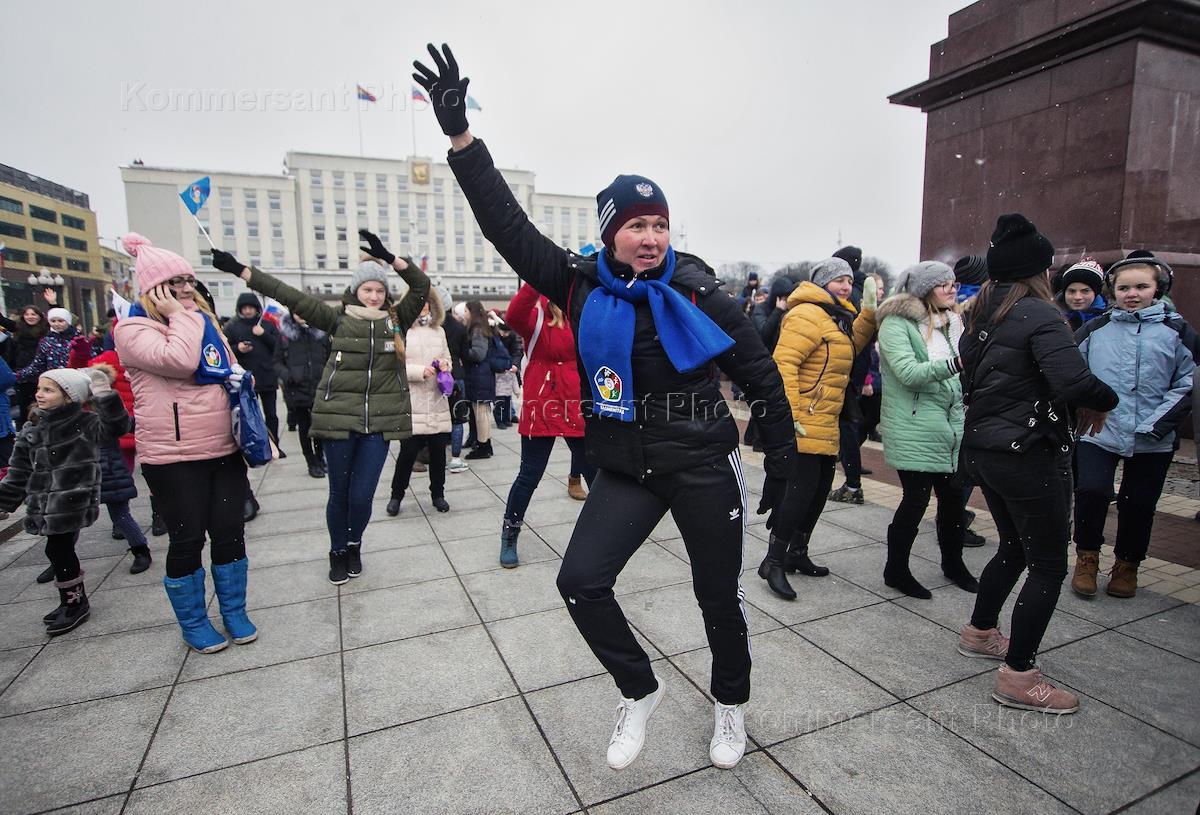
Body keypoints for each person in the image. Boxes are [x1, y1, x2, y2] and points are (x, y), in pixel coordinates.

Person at [417, 42, 795, 771]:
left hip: (701, 461)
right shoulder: (578, 285)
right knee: (580, 582)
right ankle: (639, 688)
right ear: (609, 232)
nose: (651, 237)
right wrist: (461, 141)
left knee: (719, 597)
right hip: (624, 463)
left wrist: (781, 460)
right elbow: (505, 225)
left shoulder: (696, 289)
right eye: (637, 225)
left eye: (660, 225)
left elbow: (760, 375)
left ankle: (730, 706)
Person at [955, 214, 1117, 714]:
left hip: (988, 449)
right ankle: (1019, 675)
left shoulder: (982, 313)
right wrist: (1107, 399)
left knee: (1013, 546)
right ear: (1038, 270)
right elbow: (1072, 382)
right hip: (1027, 452)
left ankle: (981, 631)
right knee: (1047, 563)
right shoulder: (1039, 315)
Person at [211, 229, 429, 585]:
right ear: (355, 291)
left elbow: (421, 285)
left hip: (378, 424)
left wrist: (389, 258)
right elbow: (288, 295)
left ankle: (354, 542)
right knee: (339, 493)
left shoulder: (394, 321)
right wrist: (240, 269)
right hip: (338, 420)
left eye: (378, 290)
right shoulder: (338, 319)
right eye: (367, 289)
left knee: (362, 497)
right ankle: (337, 551)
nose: (373, 296)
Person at [115, 233, 257, 654]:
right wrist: (181, 314)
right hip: (173, 456)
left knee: (230, 533)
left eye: (187, 281)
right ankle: (193, 621)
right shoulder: (132, 329)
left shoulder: (206, 323)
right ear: (150, 289)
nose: (184, 289)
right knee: (187, 537)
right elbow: (178, 360)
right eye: (172, 282)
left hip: (222, 448)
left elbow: (224, 367)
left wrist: (239, 378)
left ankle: (234, 611)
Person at [1070, 255, 1196, 598]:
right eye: (1124, 287)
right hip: (1100, 430)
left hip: (1154, 436)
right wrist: (1088, 404)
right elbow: (1072, 372)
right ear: (1112, 290)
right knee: (1092, 491)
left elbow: (1189, 382)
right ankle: (1087, 557)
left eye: (1141, 286)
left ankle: (1127, 565)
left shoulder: (1178, 331)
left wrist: (1159, 423)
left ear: (1158, 288)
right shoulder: (1096, 328)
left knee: (1138, 502)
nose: (1132, 294)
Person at [762, 257, 877, 600]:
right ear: (822, 281)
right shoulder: (805, 313)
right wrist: (791, 415)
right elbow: (784, 364)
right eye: (839, 280)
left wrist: (868, 313)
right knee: (798, 496)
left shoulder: (835, 315)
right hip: (805, 419)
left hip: (827, 418)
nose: (846, 286)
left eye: (848, 281)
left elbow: (849, 348)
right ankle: (773, 563)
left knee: (817, 493)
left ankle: (796, 553)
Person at [0, 367, 129, 635]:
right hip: (42, 504)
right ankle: (70, 600)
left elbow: (117, 426)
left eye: (49, 390)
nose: (39, 394)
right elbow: (19, 469)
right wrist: (6, 499)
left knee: (59, 550)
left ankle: (75, 603)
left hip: (70, 501)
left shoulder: (86, 422)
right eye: (39, 389)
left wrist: (104, 394)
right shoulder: (33, 426)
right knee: (56, 551)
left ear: (69, 396)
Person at [875, 262, 977, 599]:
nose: (951, 289)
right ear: (923, 288)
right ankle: (896, 569)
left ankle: (954, 564)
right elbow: (908, 372)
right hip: (913, 425)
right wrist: (958, 363)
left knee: (952, 502)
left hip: (949, 426)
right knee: (915, 501)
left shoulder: (951, 321)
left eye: (953, 283)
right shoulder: (896, 324)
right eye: (942, 284)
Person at [498, 283, 593, 567]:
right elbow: (513, 314)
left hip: (576, 400)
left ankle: (602, 538)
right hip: (543, 401)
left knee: (596, 475)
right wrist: (537, 275)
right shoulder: (537, 313)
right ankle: (510, 534)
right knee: (529, 475)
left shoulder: (580, 311)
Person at [387, 290, 453, 516]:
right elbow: (392, 367)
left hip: (436, 400)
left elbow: (449, 358)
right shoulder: (402, 330)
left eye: (427, 302)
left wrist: (445, 365)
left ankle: (438, 494)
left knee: (438, 454)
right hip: (412, 401)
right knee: (407, 454)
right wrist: (418, 371)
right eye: (419, 302)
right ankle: (396, 495)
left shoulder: (439, 331)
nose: (423, 306)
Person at [88, 357, 153, 573]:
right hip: (80, 477)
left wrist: (106, 398)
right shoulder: (71, 416)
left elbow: (126, 423)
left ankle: (141, 550)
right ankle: (61, 561)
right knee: (71, 524)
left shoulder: (106, 413)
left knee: (121, 515)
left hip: (110, 472)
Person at [224, 292, 283, 454]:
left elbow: (278, 346)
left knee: (271, 414)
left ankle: (274, 444)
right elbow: (226, 349)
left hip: (267, 375)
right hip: (247, 378)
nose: (248, 311)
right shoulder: (232, 326)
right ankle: (254, 445)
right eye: (245, 308)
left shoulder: (266, 324)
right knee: (249, 414)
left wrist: (263, 334)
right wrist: (239, 348)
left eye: (251, 307)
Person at [276, 310, 331, 479]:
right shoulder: (285, 335)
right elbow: (276, 362)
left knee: (320, 427)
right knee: (305, 427)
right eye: (297, 313)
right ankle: (311, 461)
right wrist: (289, 375)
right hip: (297, 388)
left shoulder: (320, 334)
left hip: (319, 386)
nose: (302, 316)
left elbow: (331, 357)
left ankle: (321, 457)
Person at [462, 300, 502, 459]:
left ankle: (483, 447)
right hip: (482, 375)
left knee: (481, 413)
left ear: (472, 312)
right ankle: (486, 444)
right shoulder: (482, 327)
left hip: (479, 376)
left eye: (465, 311)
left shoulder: (477, 329)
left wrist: (463, 351)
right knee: (483, 412)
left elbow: (478, 354)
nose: (464, 314)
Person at [1, 297, 52, 421]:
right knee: (23, 405)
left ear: (39, 316)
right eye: (27, 314)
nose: (30, 317)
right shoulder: (18, 328)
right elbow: (2, 320)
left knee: (43, 403)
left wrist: (53, 303)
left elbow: (56, 318)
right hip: (22, 372)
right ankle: (26, 430)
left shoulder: (46, 329)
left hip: (41, 372)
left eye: (33, 314)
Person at [15, 306, 78, 390]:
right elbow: (38, 364)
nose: (57, 324)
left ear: (68, 322)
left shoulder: (78, 339)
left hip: (75, 380)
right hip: (54, 381)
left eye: (60, 321)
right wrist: (18, 375)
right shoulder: (46, 341)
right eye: (53, 321)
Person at [444, 299, 471, 473]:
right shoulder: (458, 327)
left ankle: (432, 454)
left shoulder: (429, 326)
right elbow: (465, 354)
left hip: (435, 375)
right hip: (456, 374)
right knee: (457, 418)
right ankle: (455, 458)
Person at [1054, 259, 1107, 331]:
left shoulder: (1109, 319)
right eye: (1071, 291)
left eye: (1085, 291)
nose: (1077, 297)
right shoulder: (1052, 317)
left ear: (1096, 292)